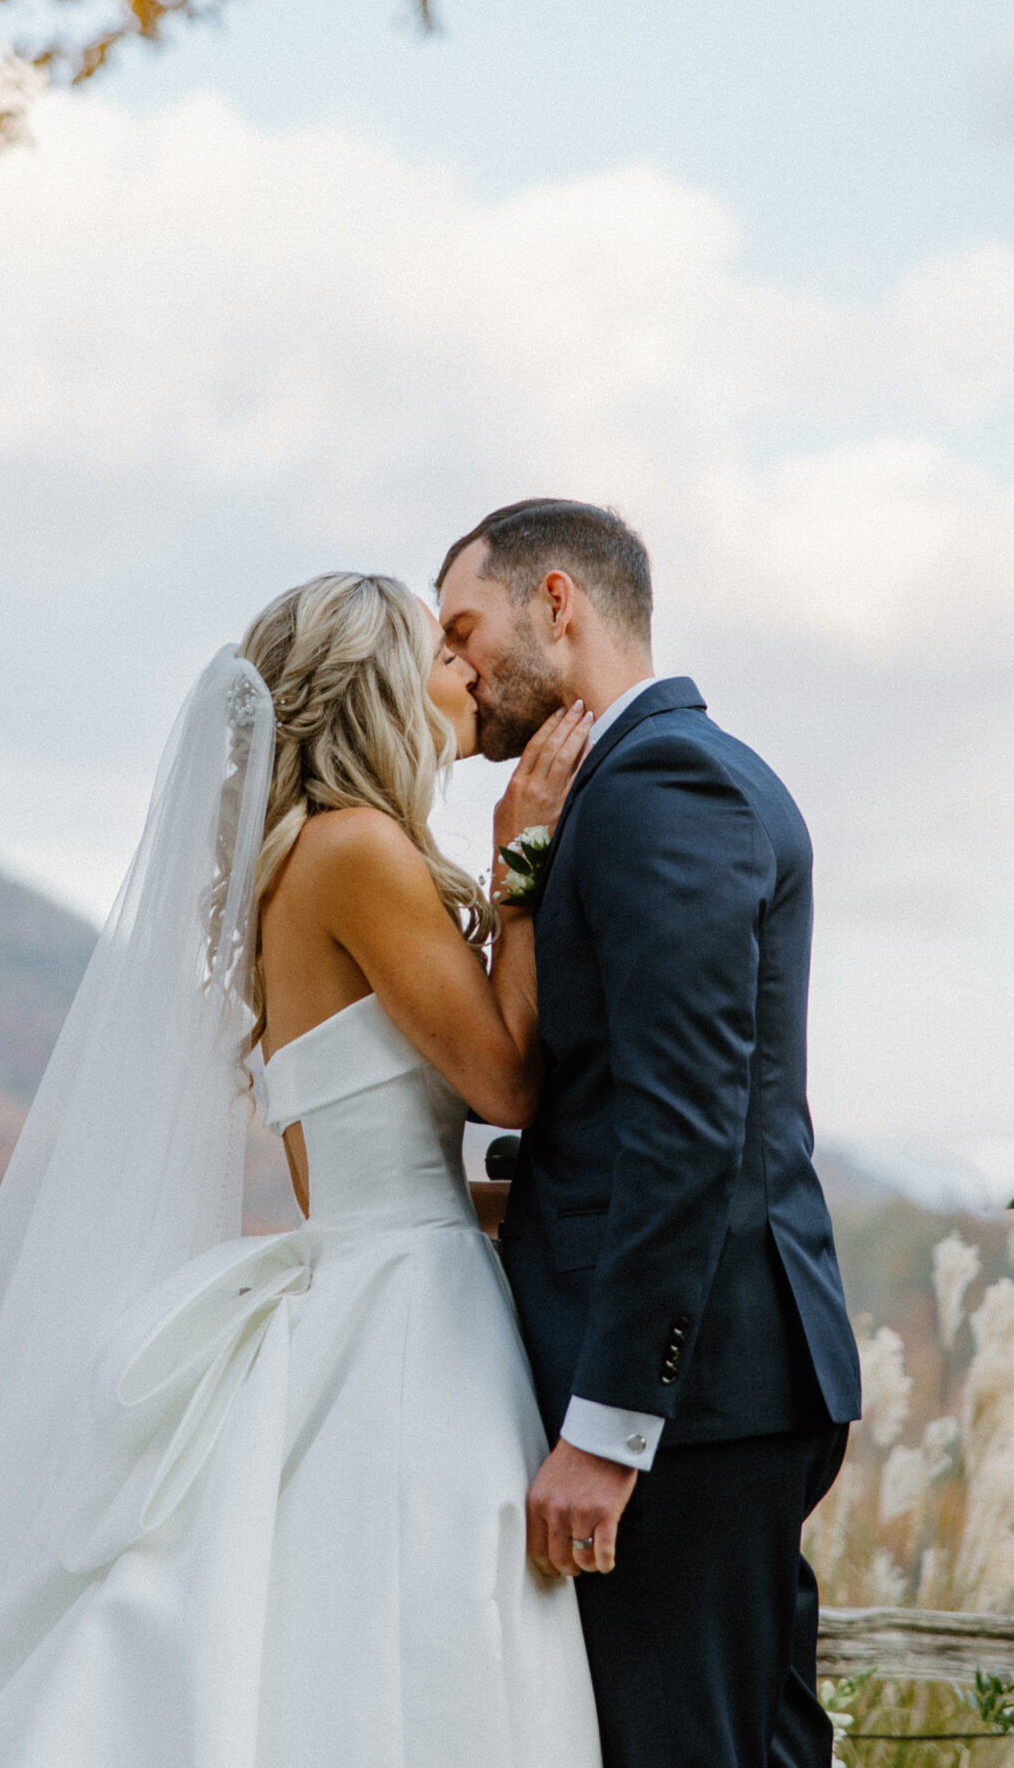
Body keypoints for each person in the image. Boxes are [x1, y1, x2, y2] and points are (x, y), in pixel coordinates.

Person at [0, 572, 603, 1768]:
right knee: (421, 1633)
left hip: (368, 1276)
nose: (467, 671)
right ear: (378, 681)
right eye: (440, 652)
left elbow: (349, 1178)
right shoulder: (357, 848)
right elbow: (508, 1086)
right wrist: (523, 858)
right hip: (412, 1318)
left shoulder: (288, 869)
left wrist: (523, 1201)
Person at [436, 499, 863, 1768]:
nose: (451, 669)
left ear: (553, 601)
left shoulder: (665, 786)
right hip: (710, 1388)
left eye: (464, 629)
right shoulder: (626, 787)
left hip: (688, 1404)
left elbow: (686, 1131)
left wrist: (610, 1427)